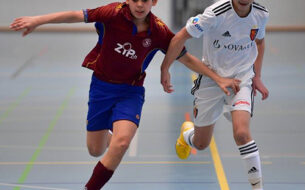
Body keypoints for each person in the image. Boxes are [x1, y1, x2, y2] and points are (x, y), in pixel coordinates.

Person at [10, 0, 240, 189]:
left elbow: (186, 57)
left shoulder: (159, 32)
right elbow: (75, 14)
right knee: (95, 150)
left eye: (146, 0)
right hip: (101, 87)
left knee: (121, 144)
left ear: (154, 2)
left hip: (131, 91)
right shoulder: (111, 13)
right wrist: (37, 21)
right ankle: (113, 134)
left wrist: (218, 78)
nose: (140, 5)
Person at [161, 0, 269, 190]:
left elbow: (259, 42)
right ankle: (187, 134)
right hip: (212, 79)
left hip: (241, 79)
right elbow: (180, 37)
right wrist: (165, 68)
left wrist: (257, 77)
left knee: (242, 134)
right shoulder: (215, 13)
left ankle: (257, 187)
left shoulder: (261, 14)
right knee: (201, 143)